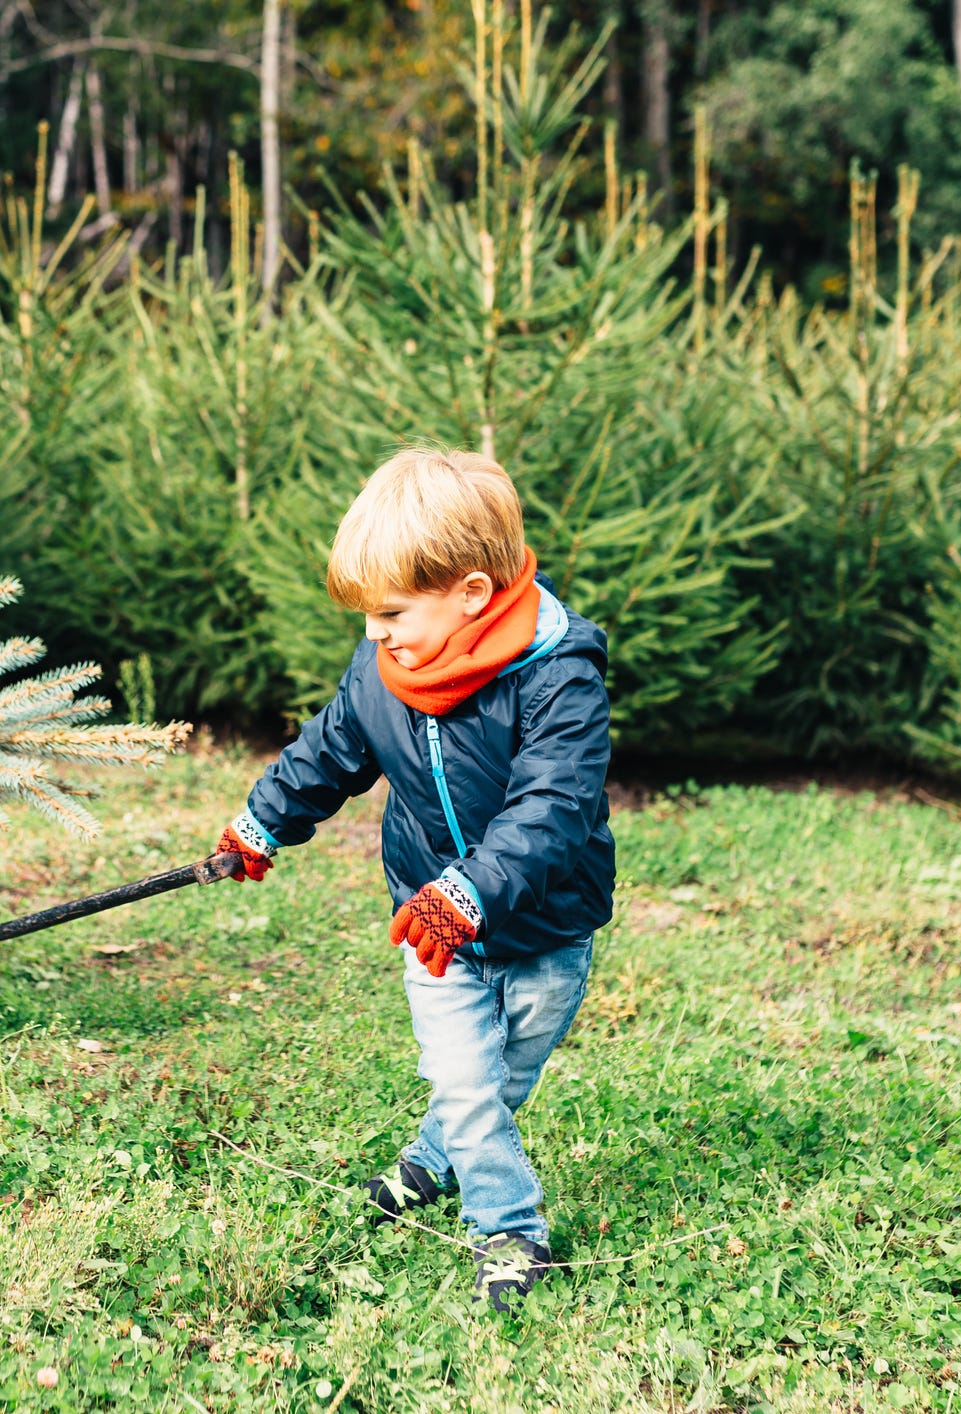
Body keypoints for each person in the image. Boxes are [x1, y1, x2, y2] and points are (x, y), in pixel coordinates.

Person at [213, 445, 614, 1312]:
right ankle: (509, 1228)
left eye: (391, 611)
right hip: (428, 927)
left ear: (471, 593)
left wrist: (471, 889)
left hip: (545, 928)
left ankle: (433, 1161)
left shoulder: (558, 680)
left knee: (502, 1080)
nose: (374, 633)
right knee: (465, 1082)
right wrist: (262, 822)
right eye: (367, 616)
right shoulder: (383, 671)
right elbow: (328, 752)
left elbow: (551, 808)